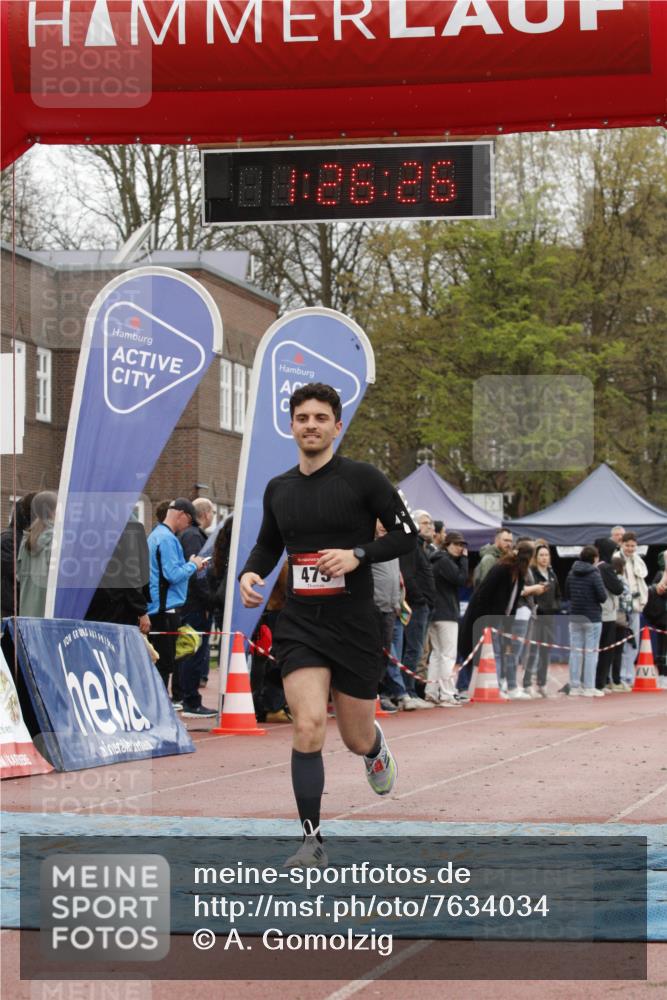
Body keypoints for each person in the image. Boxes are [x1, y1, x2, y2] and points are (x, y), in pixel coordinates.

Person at [239, 383, 417, 867]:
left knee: (354, 737)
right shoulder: (279, 488)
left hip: (354, 624)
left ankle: (374, 749)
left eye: (320, 418)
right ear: (291, 426)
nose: (311, 425)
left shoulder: (363, 479)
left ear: (337, 426)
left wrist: (359, 553)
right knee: (308, 725)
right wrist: (250, 573)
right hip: (301, 624)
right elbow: (268, 544)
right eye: (303, 418)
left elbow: (406, 535)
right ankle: (311, 841)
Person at [147, 499, 208, 711]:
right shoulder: (167, 539)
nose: (187, 527)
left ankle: (157, 710)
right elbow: (172, 575)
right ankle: (160, 712)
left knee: (159, 664)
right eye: (189, 521)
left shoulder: (155, 535)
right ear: (182, 514)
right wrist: (193, 565)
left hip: (156, 607)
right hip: (165, 609)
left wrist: (188, 564)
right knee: (164, 665)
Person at [456, 540, 536, 699]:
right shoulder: (502, 568)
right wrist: (485, 619)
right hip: (482, 616)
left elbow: (512, 602)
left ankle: (496, 685)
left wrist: (507, 624)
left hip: (500, 620)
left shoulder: (519, 574)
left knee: (499, 652)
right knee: (472, 650)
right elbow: (484, 592)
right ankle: (463, 688)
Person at [178, 497, 217, 715]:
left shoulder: (189, 535)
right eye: (212, 512)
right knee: (194, 651)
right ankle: (191, 701)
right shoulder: (194, 537)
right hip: (195, 604)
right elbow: (197, 572)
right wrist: (209, 600)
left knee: (191, 651)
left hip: (191, 602)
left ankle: (188, 698)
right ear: (206, 513)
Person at [85, 510, 151, 633]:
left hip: (91, 599)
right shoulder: (129, 524)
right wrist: (141, 610)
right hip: (118, 602)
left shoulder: (91, 523)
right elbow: (131, 570)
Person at [426, 530, 467, 706]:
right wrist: (464, 560)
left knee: (437, 655)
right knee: (447, 655)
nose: (460, 548)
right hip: (446, 613)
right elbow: (461, 579)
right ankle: (446, 694)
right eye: (456, 544)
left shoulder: (437, 559)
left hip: (435, 612)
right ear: (447, 544)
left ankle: (432, 692)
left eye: (462, 545)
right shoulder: (444, 560)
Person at [564, 544, 608, 697]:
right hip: (592, 618)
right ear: (595, 558)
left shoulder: (571, 573)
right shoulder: (595, 574)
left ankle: (575, 686)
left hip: (575, 616)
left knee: (575, 652)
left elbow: (567, 594)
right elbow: (603, 597)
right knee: (591, 653)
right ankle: (589, 687)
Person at [522, 542, 562, 697]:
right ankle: (527, 684)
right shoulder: (532, 573)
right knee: (532, 651)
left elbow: (558, 595)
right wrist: (537, 607)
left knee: (545, 652)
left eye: (546, 555)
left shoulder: (552, 574)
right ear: (536, 557)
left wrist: (555, 606)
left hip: (549, 618)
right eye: (541, 555)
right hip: (535, 617)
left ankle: (542, 683)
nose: (544, 558)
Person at [16, 491, 57, 617]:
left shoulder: (26, 540)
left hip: (26, 617)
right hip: (47, 617)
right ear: (52, 511)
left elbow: (18, 577)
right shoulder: (57, 539)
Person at [593, 538, 625, 693]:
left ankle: (599, 681)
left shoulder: (596, 566)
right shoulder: (605, 567)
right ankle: (600, 683)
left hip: (599, 613)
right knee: (606, 650)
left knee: (599, 650)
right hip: (606, 614)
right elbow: (618, 588)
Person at [619, 532, 648, 686]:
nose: (630, 548)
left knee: (633, 641)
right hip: (622, 605)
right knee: (624, 641)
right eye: (627, 545)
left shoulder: (637, 560)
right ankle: (621, 676)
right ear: (621, 544)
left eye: (633, 546)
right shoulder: (617, 559)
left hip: (636, 605)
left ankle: (628, 676)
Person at [1, 493, 36, 618]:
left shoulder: (28, 538)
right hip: (12, 612)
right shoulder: (9, 539)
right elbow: (19, 574)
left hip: (21, 609)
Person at [643, 552, 667, 690]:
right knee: (663, 648)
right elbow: (657, 591)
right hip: (663, 619)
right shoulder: (660, 575)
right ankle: (663, 676)